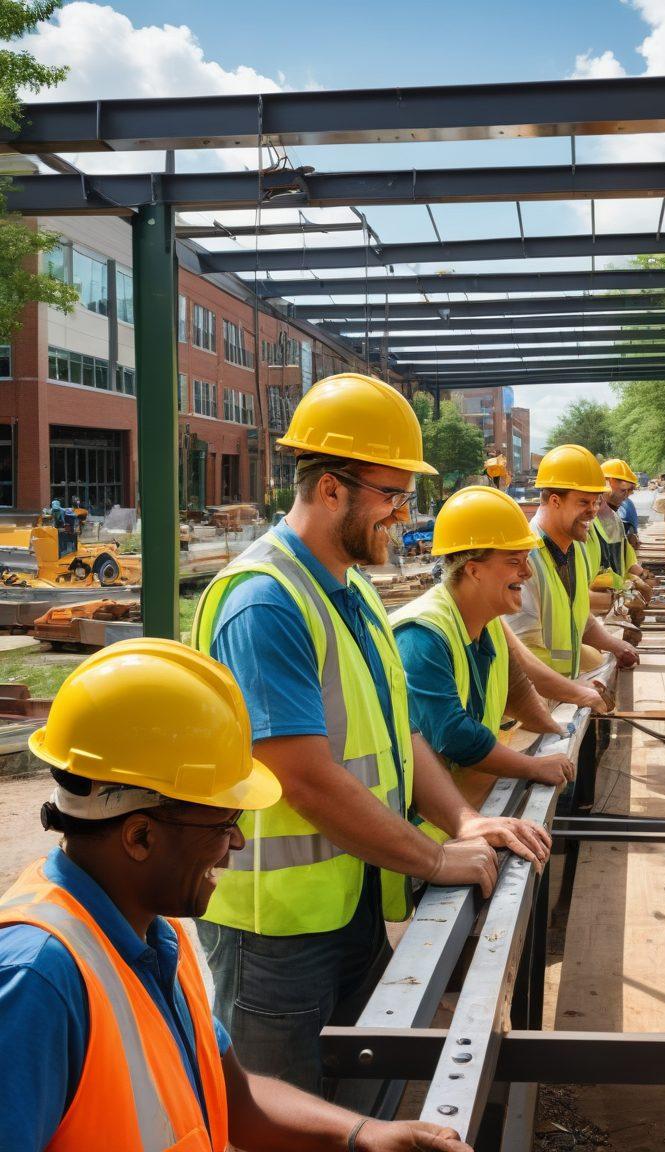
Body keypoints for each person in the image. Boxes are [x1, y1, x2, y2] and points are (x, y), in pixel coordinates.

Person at [191, 373, 549, 1097]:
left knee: (360, 1103)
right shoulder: (265, 603)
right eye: (393, 495)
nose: (402, 514)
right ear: (331, 490)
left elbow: (400, 733)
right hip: (275, 933)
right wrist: (436, 859)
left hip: (349, 901)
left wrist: (465, 819)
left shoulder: (349, 592)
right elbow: (303, 777)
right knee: (285, 1123)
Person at [0, 639, 470, 1152]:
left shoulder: (152, 933)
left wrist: (363, 1134)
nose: (238, 842)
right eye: (225, 822)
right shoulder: (37, 981)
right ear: (140, 837)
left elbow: (228, 1094)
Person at [392, 486, 610, 808]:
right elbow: (454, 734)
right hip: (424, 824)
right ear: (473, 570)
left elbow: (517, 689)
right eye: (514, 561)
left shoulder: (488, 620)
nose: (527, 571)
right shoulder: (421, 635)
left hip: (458, 808)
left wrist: (560, 734)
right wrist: (532, 765)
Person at [505, 444, 639, 677]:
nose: (593, 511)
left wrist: (612, 644)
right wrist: (573, 690)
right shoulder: (526, 559)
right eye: (583, 503)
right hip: (540, 695)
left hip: (564, 690)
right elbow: (519, 651)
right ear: (555, 501)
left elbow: (577, 616)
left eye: (596, 502)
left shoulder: (575, 549)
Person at [586, 458, 654, 602]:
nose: (627, 496)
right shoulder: (586, 525)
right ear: (607, 482)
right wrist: (630, 584)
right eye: (624, 490)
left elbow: (625, 560)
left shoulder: (615, 520)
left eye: (630, 491)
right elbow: (596, 578)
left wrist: (641, 576)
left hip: (614, 601)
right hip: (598, 604)